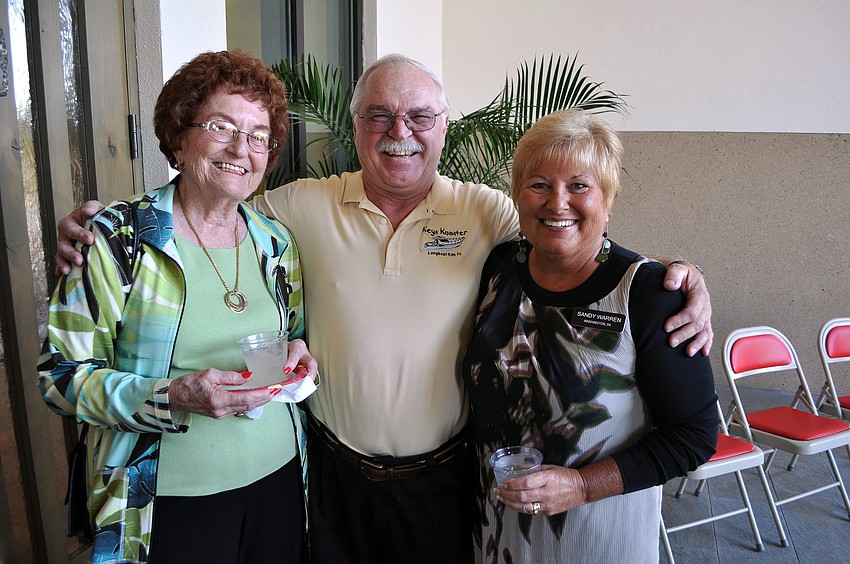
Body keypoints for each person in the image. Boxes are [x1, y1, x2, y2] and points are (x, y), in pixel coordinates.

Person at [54, 54, 713, 564]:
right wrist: (103, 223)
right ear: (356, 125)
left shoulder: (486, 210)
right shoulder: (295, 210)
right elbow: (203, 206)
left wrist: (668, 277)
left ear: (443, 127)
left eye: (420, 116)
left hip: (445, 479)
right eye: (379, 115)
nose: (400, 133)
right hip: (331, 476)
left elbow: (568, 227)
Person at [38, 50, 318, 564]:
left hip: (278, 486)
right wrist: (171, 396)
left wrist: (297, 354)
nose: (242, 147)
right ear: (181, 133)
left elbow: (291, 336)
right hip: (165, 503)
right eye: (222, 126)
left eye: (259, 135)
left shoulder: (278, 243)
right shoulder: (117, 240)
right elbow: (59, 378)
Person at [461, 109, 718, 563]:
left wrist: (581, 486)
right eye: (539, 184)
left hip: (596, 538)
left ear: (608, 199)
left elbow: (693, 437)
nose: (557, 202)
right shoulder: (499, 267)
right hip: (496, 533)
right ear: (518, 197)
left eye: (579, 185)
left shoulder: (648, 293)